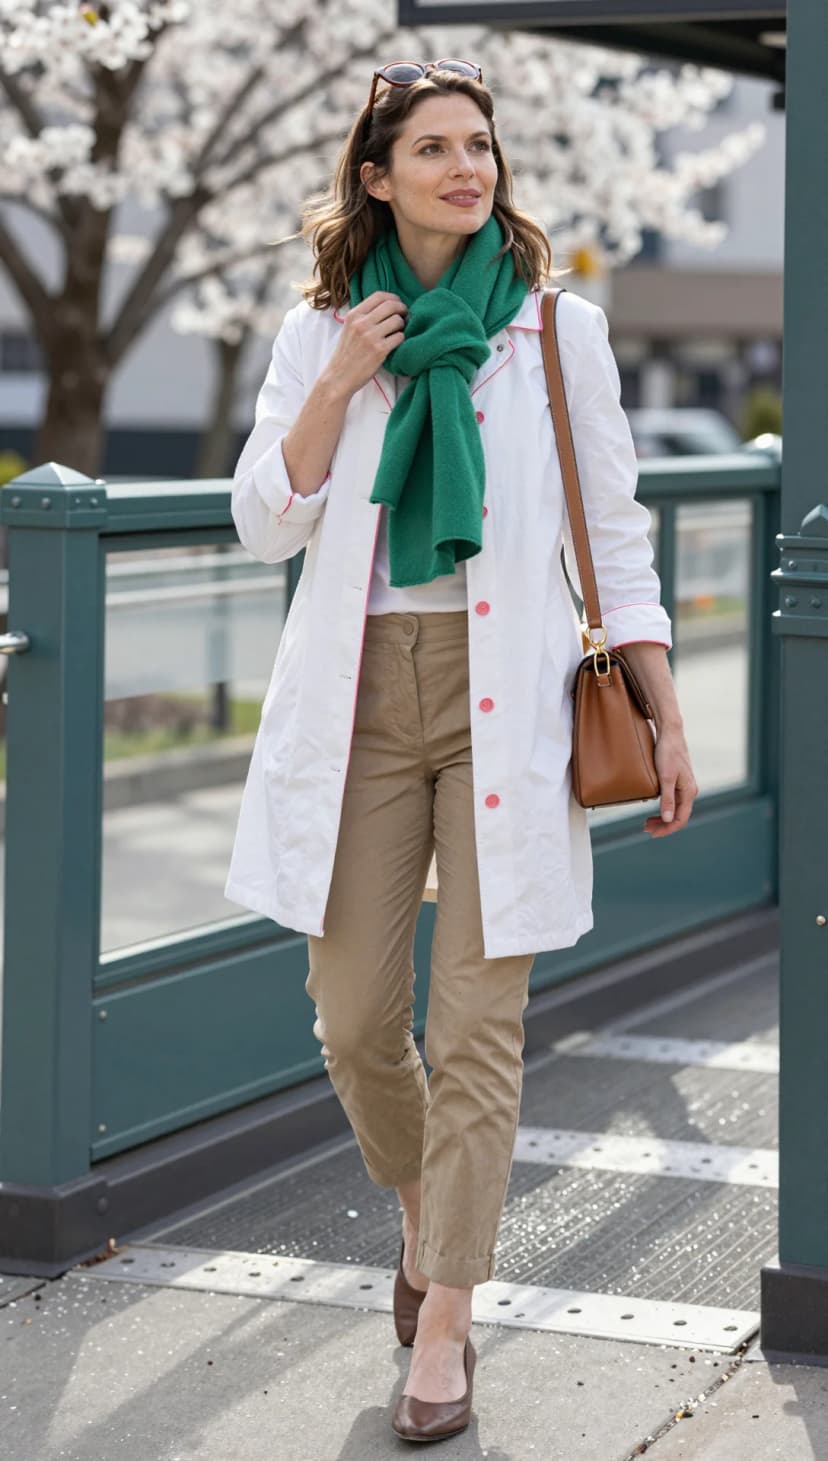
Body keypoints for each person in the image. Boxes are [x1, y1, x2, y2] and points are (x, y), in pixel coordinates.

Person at [225, 58, 698, 1444]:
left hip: (519, 698)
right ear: (376, 175)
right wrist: (344, 382)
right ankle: (430, 1206)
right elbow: (266, 518)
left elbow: (615, 542)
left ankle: (445, 1316)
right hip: (362, 697)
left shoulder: (560, 331)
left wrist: (666, 711)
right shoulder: (324, 329)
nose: (464, 167)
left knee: (476, 1027)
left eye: (478, 144)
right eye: (431, 147)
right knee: (358, 1018)